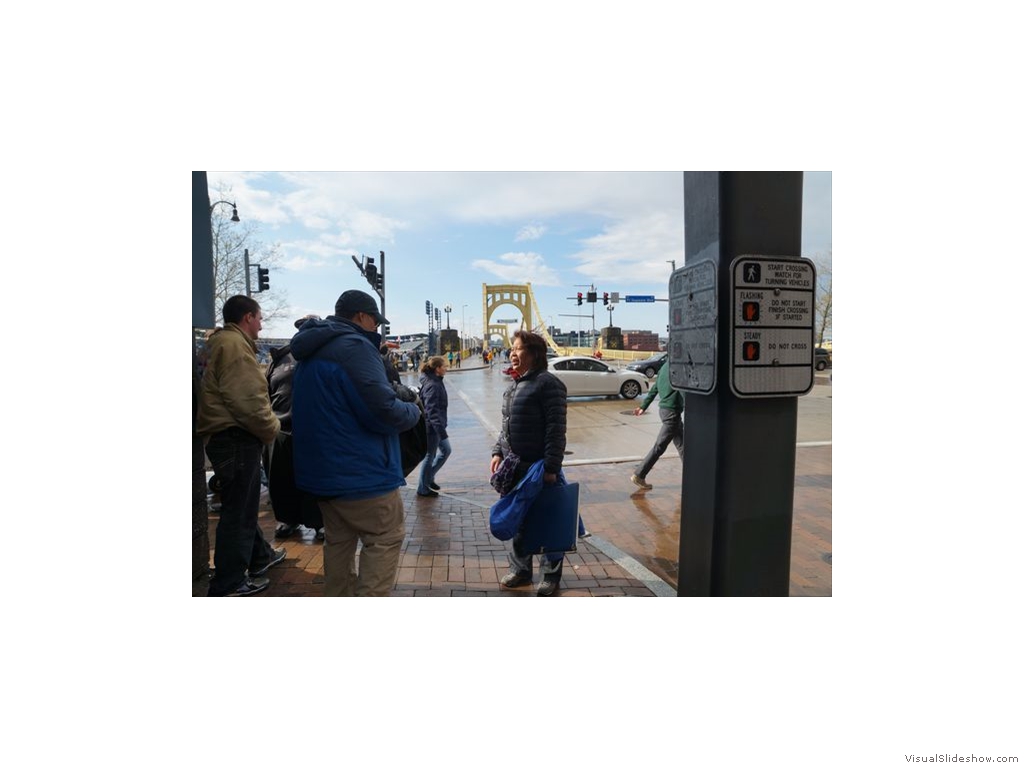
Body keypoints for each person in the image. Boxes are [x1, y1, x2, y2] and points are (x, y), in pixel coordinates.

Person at [291, 289, 421, 597]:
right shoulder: (354, 348)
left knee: (338, 545)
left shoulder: (310, 351)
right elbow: (384, 412)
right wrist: (413, 411)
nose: (376, 327)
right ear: (361, 316)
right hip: (362, 474)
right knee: (385, 538)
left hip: (323, 476)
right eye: (375, 320)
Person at [197, 295, 286, 597]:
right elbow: (248, 401)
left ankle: (261, 557)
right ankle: (229, 583)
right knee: (239, 513)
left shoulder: (222, 343)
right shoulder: (235, 346)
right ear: (248, 317)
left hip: (227, 438)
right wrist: (272, 429)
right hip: (237, 437)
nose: (262, 324)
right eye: (259, 318)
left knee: (242, 506)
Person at [490, 330, 568, 596]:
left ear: (535, 354)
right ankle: (521, 570)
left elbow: (556, 431)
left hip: (539, 468)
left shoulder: (549, 384)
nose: (512, 353)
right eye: (512, 348)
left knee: (548, 522)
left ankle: (550, 576)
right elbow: (504, 429)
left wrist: (551, 468)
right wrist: (497, 453)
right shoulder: (513, 387)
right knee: (520, 521)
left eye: (518, 348)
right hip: (515, 467)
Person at [264, 315, 325, 541]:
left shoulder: (325, 354)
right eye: (301, 327)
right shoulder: (279, 358)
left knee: (316, 480)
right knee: (281, 480)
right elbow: (267, 391)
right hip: (280, 428)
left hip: (314, 429)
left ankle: (319, 522)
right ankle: (288, 519)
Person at [630, 360, 685, 491]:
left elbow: (654, 389)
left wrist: (643, 406)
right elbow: (684, 390)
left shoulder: (665, 367)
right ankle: (639, 474)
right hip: (672, 412)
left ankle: (691, 477)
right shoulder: (680, 367)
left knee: (683, 445)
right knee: (659, 446)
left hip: (666, 411)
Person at [416, 356, 452, 497]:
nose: (446, 369)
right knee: (430, 455)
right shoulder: (433, 385)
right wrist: (441, 431)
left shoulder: (435, 381)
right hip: (432, 428)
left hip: (436, 426)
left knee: (446, 451)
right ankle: (423, 488)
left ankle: (428, 478)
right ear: (437, 369)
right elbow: (431, 410)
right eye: (444, 366)